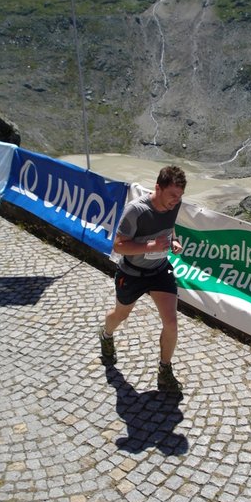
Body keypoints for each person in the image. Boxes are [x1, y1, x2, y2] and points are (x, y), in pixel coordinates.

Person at [99, 165, 187, 394]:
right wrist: (150, 245)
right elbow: (118, 245)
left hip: (160, 271)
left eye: (180, 197)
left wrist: (173, 241)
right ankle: (106, 335)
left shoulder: (174, 205)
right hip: (131, 273)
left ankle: (164, 370)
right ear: (158, 187)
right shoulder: (135, 210)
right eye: (172, 195)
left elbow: (170, 226)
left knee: (171, 323)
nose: (176, 201)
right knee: (121, 315)